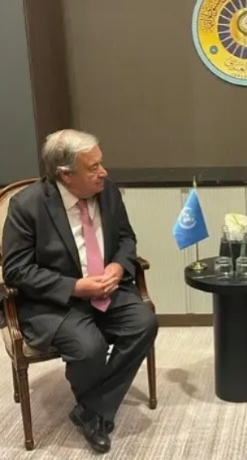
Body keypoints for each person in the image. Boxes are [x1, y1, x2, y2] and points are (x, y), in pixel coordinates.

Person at [2, 129, 158, 454]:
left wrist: (118, 266)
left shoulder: (107, 191)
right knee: (89, 348)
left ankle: (92, 409)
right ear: (66, 175)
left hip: (109, 289)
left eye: (101, 163)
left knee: (144, 323)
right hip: (56, 302)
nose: (104, 172)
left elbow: (126, 238)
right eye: (93, 167)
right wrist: (74, 287)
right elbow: (16, 270)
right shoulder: (27, 206)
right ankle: (96, 414)